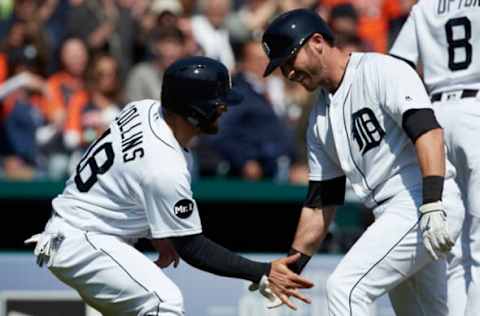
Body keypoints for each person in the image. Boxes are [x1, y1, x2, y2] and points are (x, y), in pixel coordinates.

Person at [25, 56, 313, 315]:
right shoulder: (164, 165)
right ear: (194, 111)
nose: (224, 107)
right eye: (217, 102)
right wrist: (261, 271)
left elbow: (124, 179)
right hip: (82, 239)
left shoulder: (142, 108)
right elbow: (192, 248)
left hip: (79, 231)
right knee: (164, 302)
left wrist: (158, 232)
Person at [258, 8, 465, 315]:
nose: (288, 72)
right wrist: (293, 266)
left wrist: (433, 203)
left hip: (422, 200)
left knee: (345, 287)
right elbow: (321, 202)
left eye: (290, 59)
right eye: (281, 67)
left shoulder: (380, 70)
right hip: (393, 214)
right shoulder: (319, 118)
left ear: (317, 41)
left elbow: (428, 132)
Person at [389, 1, 480, 315]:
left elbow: (397, 64)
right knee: (477, 245)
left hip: (434, 114)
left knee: (451, 249)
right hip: (476, 109)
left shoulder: (425, 5)